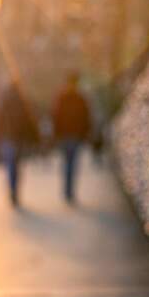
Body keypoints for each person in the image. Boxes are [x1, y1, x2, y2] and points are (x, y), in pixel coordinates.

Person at [0, 80, 39, 206]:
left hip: (6, 138)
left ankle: (11, 189)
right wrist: (34, 138)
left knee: (9, 165)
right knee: (16, 165)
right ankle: (15, 190)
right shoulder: (23, 102)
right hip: (18, 138)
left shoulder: (5, 101)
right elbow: (29, 121)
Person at [51, 72, 92, 203]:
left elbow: (55, 116)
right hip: (75, 135)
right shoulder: (80, 98)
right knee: (72, 163)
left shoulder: (61, 97)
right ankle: (70, 191)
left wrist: (56, 133)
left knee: (67, 163)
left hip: (65, 135)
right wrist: (85, 133)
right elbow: (86, 118)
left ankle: (67, 190)